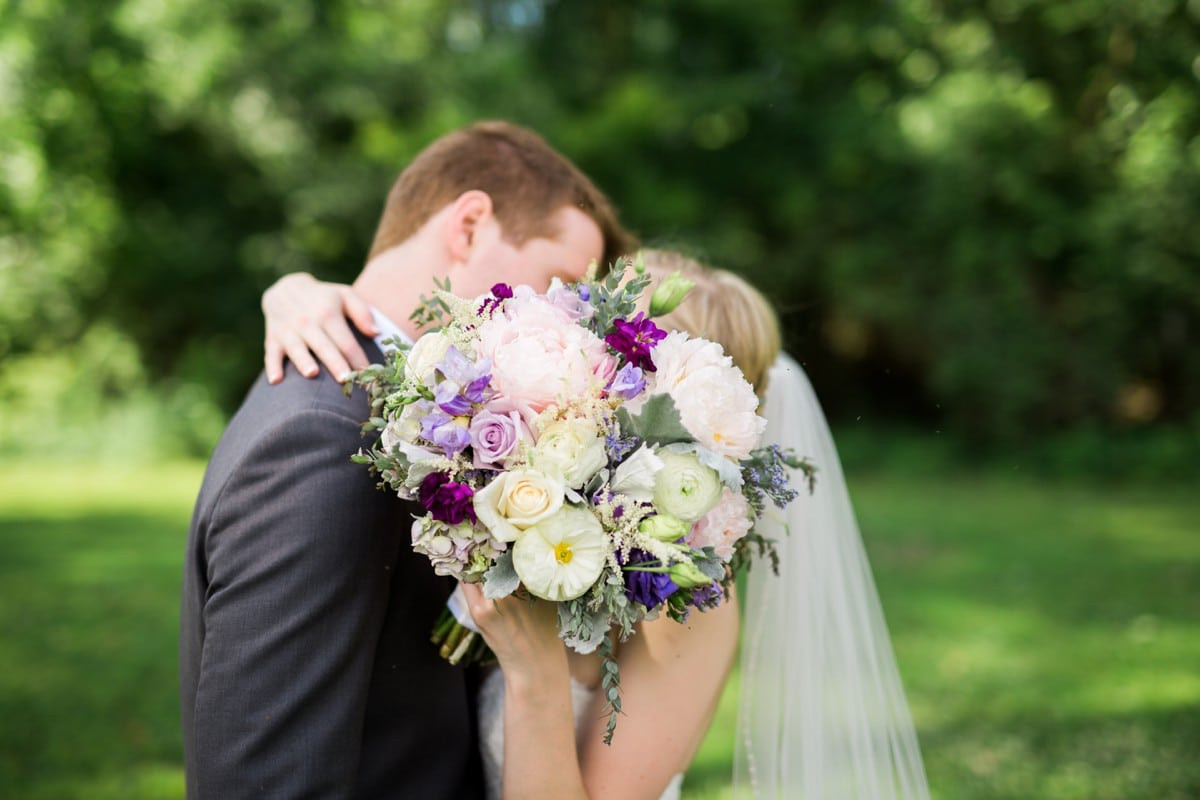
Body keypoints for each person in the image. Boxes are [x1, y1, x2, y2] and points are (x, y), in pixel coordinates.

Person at [260, 252, 933, 799]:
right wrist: (292, 290)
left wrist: (538, 678)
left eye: (610, 355)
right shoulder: (551, 488)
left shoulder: (691, 607)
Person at [180, 120, 634, 800]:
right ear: (471, 225)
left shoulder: (427, 422)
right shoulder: (321, 437)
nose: (566, 323)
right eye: (558, 282)